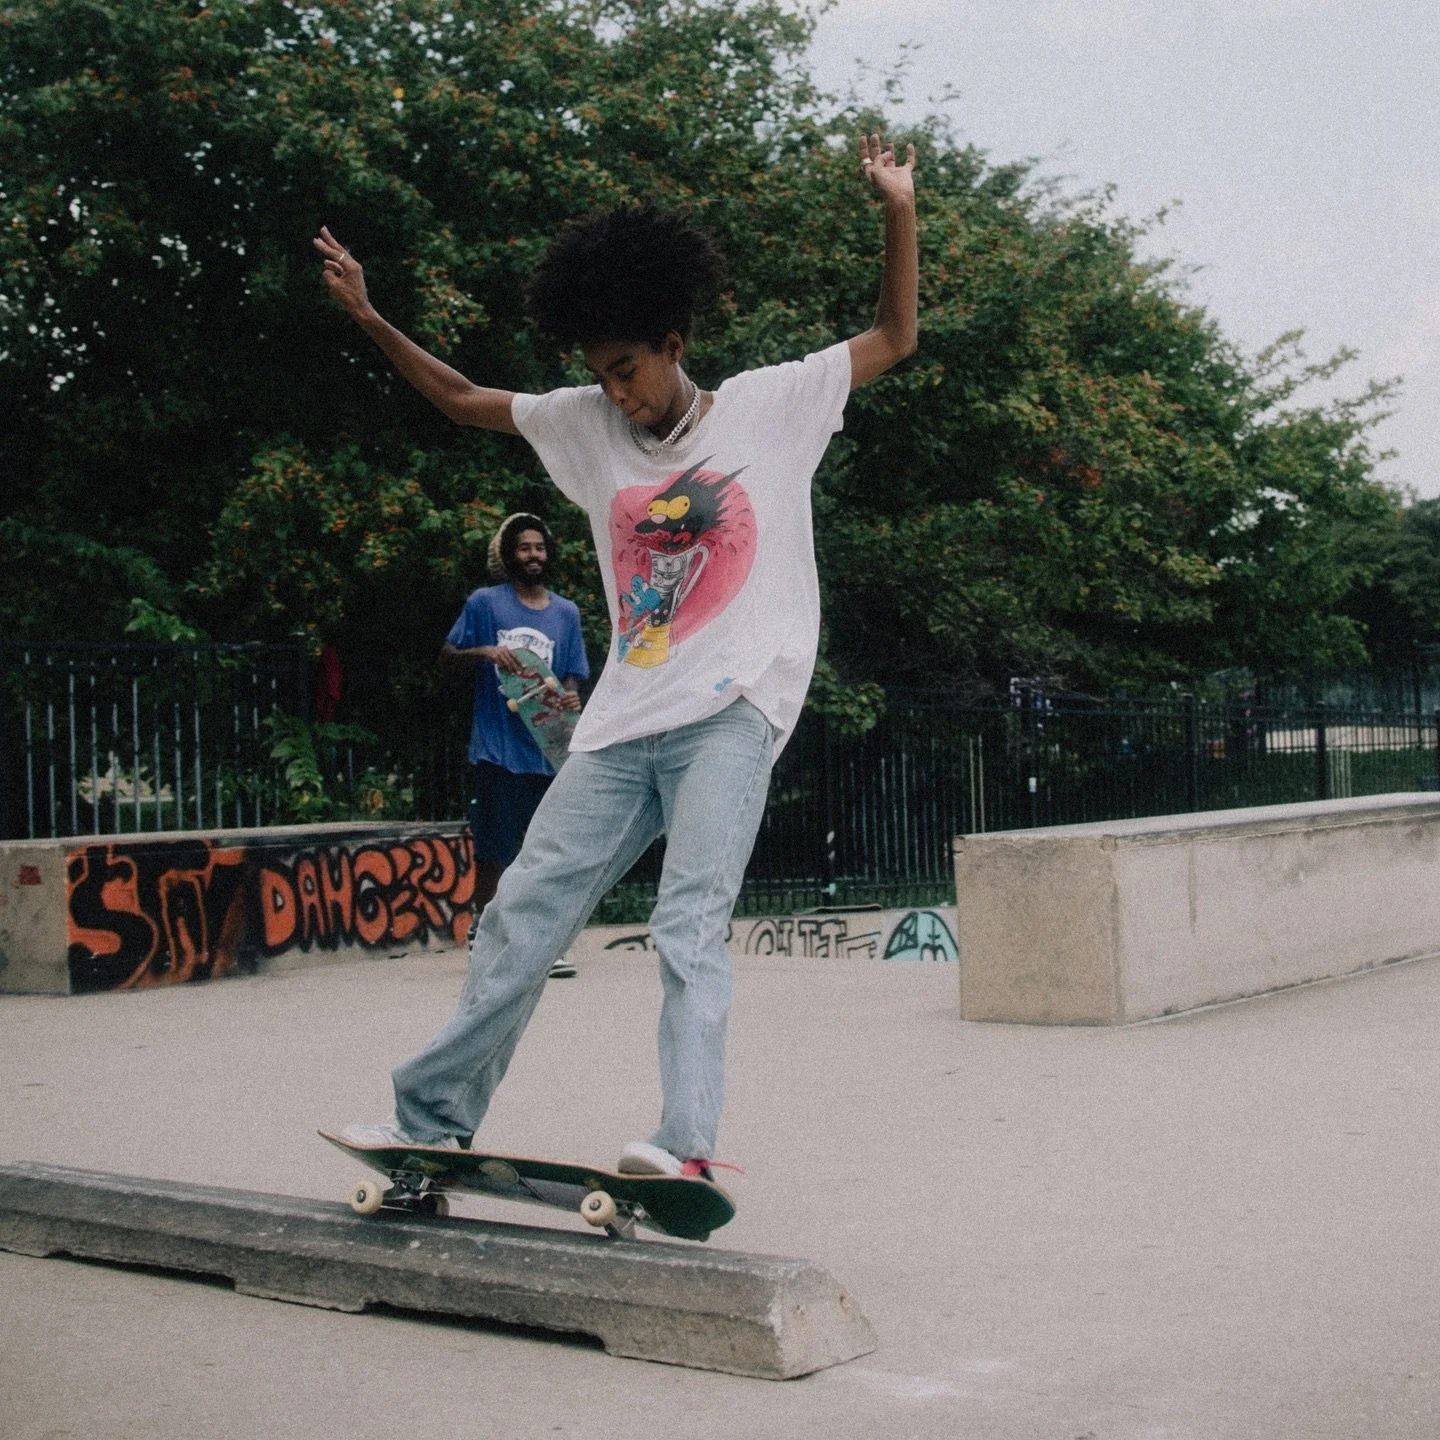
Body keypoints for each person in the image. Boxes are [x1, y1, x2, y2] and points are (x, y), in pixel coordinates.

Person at [317, 132, 918, 1177]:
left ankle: (684, 1147)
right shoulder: (588, 425)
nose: (619, 396)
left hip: (732, 714)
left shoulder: (775, 406)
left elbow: (894, 335)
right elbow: (464, 401)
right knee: (519, 917)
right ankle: (430, 1121)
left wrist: (897, 211)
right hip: (624, 722)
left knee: (688, 923)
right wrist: (371, 316)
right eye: (600, 377)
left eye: (629, 372)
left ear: (674, 342)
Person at [442, 511, 588, 978]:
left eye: (539, 548)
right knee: (495, 846)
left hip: (547, 747)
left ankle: (543, 941)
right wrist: (485, 652)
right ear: (509, 555)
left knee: (545, 848)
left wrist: (570, 696)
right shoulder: (485, 604)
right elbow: (447, 658)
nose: (533, 555)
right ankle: (484, 931)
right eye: (524, 548)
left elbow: (569, 677)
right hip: (497, 746)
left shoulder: (566, 613)